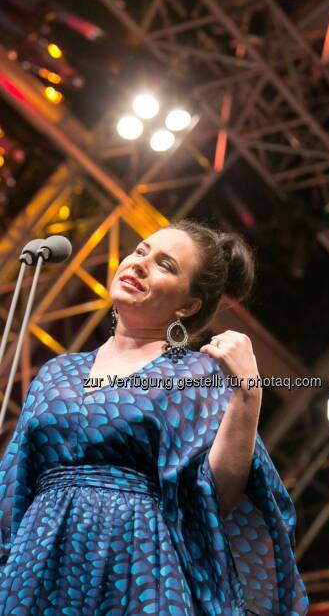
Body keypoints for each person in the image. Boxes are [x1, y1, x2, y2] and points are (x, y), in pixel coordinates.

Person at [0, 219, 309, 615]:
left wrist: (248, 397)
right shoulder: (57, 371)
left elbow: (215, 495)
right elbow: (15, 480)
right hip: (37, 560)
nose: (139, 264)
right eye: (141, 251)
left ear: (187, 306)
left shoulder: (196, 373)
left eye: (165, 265)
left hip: (136, 562)